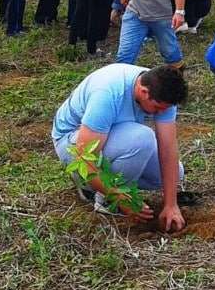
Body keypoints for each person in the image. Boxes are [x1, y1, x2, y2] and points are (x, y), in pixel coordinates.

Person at [52, 62, 188, 230]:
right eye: (157, 108)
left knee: (175, 172)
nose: (161, 113)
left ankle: (106, 185)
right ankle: (105, 198)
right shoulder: (107, 94)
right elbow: (83, 159)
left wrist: (171, 204)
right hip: (72, 142)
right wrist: (121, 199)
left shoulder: (161, 92)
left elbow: (167, 150)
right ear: (144, 92)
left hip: (109, 136)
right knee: (142, 139)